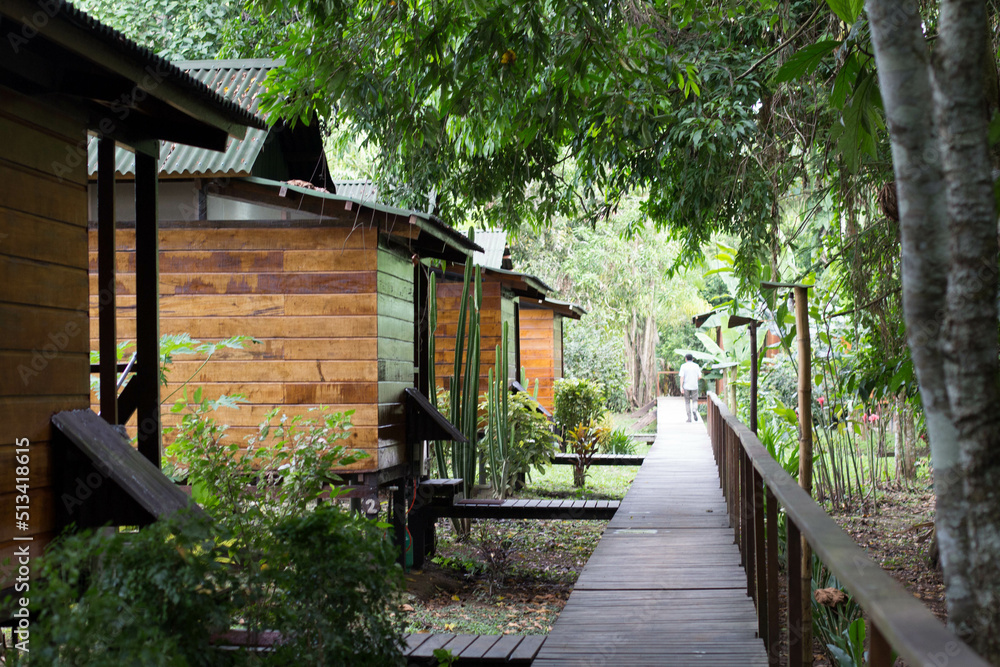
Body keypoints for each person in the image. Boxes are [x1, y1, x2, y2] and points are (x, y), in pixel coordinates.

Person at [679, 354, 702, 422]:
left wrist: (681, 386)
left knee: (687, 402)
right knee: (695, 400)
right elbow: (700, 376)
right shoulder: (696, 366)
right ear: (692, 359)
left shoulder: (683, 366)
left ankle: (689, 418)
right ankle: (694, 410)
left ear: (686, 359)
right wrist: (695, 380)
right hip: (694, 386)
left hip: (686, 386)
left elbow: (682, 377)